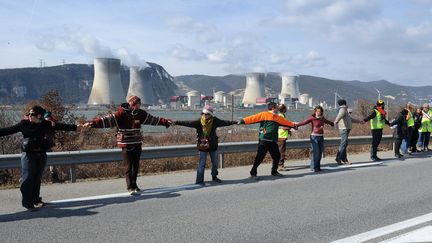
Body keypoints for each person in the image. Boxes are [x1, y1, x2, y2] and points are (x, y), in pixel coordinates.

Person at [83, 95, 172, 195]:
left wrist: (166, 122)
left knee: (136, 165)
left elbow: (153, 120)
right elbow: (106, 120)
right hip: (126, 143)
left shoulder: (140, 114)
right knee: (129, 166)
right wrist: (92, 123)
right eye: (135, 105)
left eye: (138, 106)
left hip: (137, 143)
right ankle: (130, 187)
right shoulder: (121, 114)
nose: (137, 108)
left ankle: (135, 186)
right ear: (130, 104)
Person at [0, 105, 79, 211]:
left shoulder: (45, 124)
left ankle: (36, 199)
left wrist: (77, 127)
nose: (29, 116)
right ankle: (27, 203)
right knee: (27, 178)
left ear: (39, 116)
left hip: (41, 155)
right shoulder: (24, 124)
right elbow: (8, 130)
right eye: (29, 114)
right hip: (28, 155)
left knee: (37, 178)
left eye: (32, 114)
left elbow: (61, 126)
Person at [174, 105, 236, 185]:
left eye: (207, 114)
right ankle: (199, 180)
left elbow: (225, 122)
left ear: (211, 114)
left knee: (215, 163)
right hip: (202, 145)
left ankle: (214, 177)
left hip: (213, 145)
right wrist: (176, 122)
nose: (205, 115)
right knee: (202, 163)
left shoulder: (215, 120)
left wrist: (234, 122)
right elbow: (188, 123)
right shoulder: (199, 121)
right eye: (203, 113)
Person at [238, 102, 296, 179]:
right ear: (273, 108)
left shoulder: (278, 117)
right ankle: (253, 173)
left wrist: (293, 125)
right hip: (264, 139)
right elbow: (253, 118)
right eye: (276, 107)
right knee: (260, 157)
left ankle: (274, 172)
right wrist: (242, 121)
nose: (278, 109)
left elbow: (286, 122)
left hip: (273, 141)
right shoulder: (264, 114)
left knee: (277, 156)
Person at [296, 105, 334, 172]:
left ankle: (317, 167)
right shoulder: (312, 118)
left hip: (321, 136)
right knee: (315, 152)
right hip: (314, 136)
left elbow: (327, 121)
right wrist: (296, 125)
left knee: (320, 153)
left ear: (321, 112)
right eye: (317, 111)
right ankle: (314, 167)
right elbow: (304, 122)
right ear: (315, 111)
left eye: (320, 111)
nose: (318, 112)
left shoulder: (322, 118)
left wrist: (332, 123)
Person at [333, 99, 362, 165]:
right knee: (343, 144)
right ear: (344, 103)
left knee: (344, 144)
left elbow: (350, 119)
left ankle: (343, 159)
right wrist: (336, 121)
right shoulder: (343, 109)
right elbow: (340, 115)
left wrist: (359, 121)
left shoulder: (345, 110)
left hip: (345, 128)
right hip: (344, 128)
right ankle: (339, 158)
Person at [277, 104, 290, 170]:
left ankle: (278, 164)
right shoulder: (280, 116)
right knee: (281, 151)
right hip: (281, 136)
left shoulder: (282, 115)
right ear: (284, 109)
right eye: (285, 108)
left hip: (282, 135)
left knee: (280, 151)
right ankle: (280, 165)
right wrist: (289, 127)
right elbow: (281, 126)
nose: (286, 109)